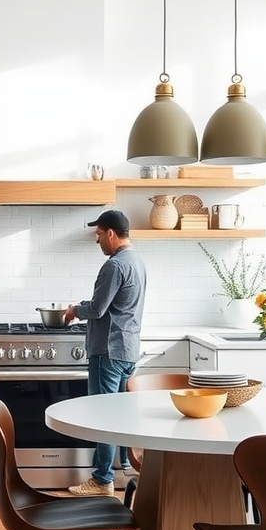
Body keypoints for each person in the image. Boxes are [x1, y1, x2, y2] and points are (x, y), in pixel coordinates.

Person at [65, 209, 147, 496]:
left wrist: (75, 310)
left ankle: (101, 480)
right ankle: (123, 467)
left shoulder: (114, 265)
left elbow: (98, 309)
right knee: (121, 415)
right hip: (127, 349)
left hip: (108, 350)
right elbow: (112, 304)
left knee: (103, 416)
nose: (98, 240)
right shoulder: (137, 262)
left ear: (111, 233)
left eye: (99, 235)